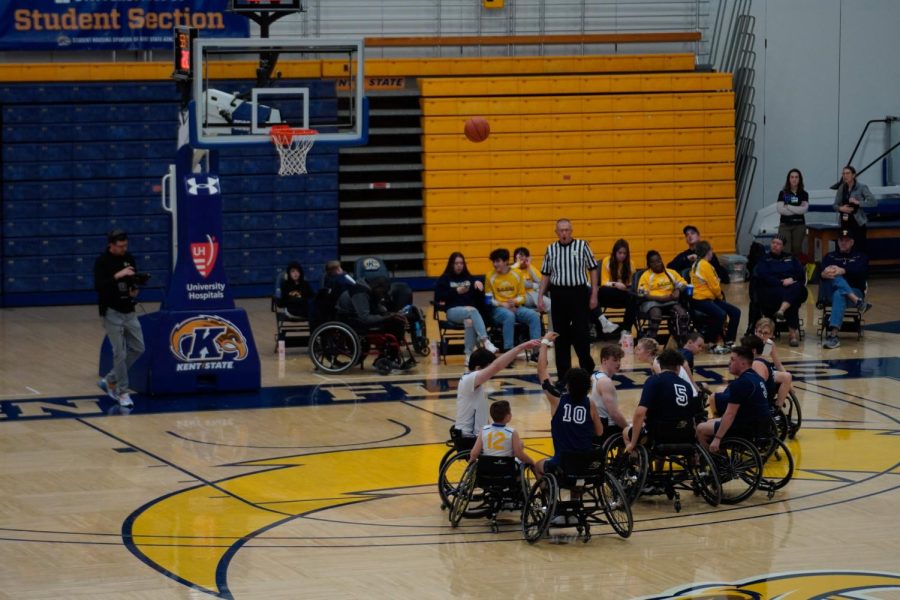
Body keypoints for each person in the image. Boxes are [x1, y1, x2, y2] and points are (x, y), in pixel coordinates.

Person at [534, 332, 603, 477]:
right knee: (578, 469)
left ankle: (546, 495)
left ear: (568, 385)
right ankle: (576, 495)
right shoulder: (590, 404)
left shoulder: (557, 400)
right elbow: (599, 432)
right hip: (585, 461)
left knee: (537, 465)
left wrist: (545, 343)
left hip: (562, 462)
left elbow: (542, 371)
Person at [537, 218, 599, 381]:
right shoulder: (550, 249)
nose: (564, 233)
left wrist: (594, 294)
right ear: (556, 232)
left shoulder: (582, 246)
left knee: (581, 334)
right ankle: (563, 376)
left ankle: (587, 370)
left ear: (571, 231)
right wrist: (540, 297)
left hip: (578, 293)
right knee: (560, 336)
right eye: (561, 230)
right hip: (558, 295)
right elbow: (545, 274)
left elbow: (593, 269)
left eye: (567, 230)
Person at [93, 229, 145, 408]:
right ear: (111, 245)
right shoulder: (102, 262)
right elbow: (99, 286)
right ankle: (122, 392)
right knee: (119, 353)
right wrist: (118, 275)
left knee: (138, 347)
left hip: (128, 309)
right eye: (120, 246)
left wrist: (135, 287)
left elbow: (132, 282)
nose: (124, 249)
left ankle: (109, 379)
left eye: (126, 245)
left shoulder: (129, 258)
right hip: (111, 311)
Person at [455, 340, 541, 440]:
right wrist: (520, 347)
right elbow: (497, 366)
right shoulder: (468, 380)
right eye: (488, 369)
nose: (491, 373)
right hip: (469, 438)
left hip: (476, 437)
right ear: (478, 368)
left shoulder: (476, 384)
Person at [624, 349, 702, 454]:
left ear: (660, 365)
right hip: (685, 435)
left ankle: (635, 464)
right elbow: (692, 415)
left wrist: (633, 443)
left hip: (659, 435)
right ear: (678, 367)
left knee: (626, 432)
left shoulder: (654, 380)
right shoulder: (686, 385)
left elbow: (640, 413)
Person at [696, 346, 771, 452]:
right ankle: (721, 458)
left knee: (700, 429)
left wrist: (717, 438)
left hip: (745, 429)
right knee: (709, 422)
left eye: (732, 359)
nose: (729, 363)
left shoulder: (741, 383)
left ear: (743, 363)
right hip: (761, 427)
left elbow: (730, 414)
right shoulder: (756, 378)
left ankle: (716, 460)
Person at [434, 252, 498, 356]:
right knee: (472, 311)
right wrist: (456, 291)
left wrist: (478, 283)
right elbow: (439, 297)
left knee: (469, 321)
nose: (459, 265)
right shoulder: (444, 279)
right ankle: (485, 340)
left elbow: (478, 297)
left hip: (468, 311)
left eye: (461, 263)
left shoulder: (469, 278)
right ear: (451, 264)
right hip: (452, 311)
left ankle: (468, 355)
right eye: (456, 263)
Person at [335, 276, 409, 366]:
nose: (382, 295)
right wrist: (386, 317)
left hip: (356, 317)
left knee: (396, 320)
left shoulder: (370, 289)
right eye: (382, 292)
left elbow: (379, 308)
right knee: (393, 325)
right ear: (377, 287)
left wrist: (392, 314)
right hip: (351, 320)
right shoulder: (360, 293)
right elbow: (365, 318)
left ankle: (388, 356)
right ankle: (387, 357)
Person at [486, 248, 542, 356]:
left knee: (534, 316)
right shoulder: (490, 276)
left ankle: (536, 352)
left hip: (515, 307)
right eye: (493, 261)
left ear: (506, 261)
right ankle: (509, 352)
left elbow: (522, 297)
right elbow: (488, 300)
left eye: (497, 261)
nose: (495, 264)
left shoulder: (517, 273)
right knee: (509, 316)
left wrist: (514, 302)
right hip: (498, 310)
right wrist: (502, 304)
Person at [820, 230, 871, 349]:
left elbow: (861, 272)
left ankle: (833, 336)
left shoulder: (861, 257)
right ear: (838, 242)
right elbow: (821, 273)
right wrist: (824, 274)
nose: (843, 243)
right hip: (830, 292)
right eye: (841, 240)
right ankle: (858, 302)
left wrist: (843, 270)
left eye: (847, 241)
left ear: (852, 242)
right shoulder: (830, 256)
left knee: (839, 294)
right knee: (834, 275)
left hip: (855, 290)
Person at [753, 235, 807, 346]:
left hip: (791, 287)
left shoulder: (791, 258)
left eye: (778, 244)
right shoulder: (764, 259)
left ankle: (781, 311)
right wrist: (781, 282)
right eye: (773, 243)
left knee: (796, 287)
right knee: (793, 301)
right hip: (772, 290)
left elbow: (801, 274)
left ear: (783, 246)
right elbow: (763, 276)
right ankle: (792, 336)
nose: (775, 245)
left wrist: (791, 279)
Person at [689, 240, 741, 353]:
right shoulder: (704, 265)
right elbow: (715, 287)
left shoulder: (698, 263)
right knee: (721, 314)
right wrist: (720, 298)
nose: (712, 252)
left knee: (735, 312)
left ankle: (729, 341)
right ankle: (712, 343)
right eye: (711, 250)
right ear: (708, 251)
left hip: (708, 298)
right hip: (700, 300)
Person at [636, 250, 690, 343]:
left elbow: (684, 284)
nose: (657, 264)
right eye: (653, 262)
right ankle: (651, 343)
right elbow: (641, 293)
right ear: (649, 264)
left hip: (670, 301)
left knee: (682, 313)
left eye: (658, 260)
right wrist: (660, 298)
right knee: (656, 314)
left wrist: (678, 290)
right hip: (653, 303)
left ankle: (682, 341)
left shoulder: (671, 273)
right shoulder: (646, 276)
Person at [468, 400, 535, 469]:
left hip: (487, 468)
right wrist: (532, 461)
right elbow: (519, 455)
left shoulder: (484, 430)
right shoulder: (512, 432)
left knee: (520, 444)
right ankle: (518, 479)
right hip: (506, 469)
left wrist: (471, 461)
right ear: (508, 416)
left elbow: (474, 453)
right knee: (521, 452)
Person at [589, 345, 628, 445]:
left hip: (594, 423)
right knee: (636, 433)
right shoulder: (605, 382)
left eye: (619, 360)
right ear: (604, 360)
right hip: (606, 426)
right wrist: (628, 427)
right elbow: (614, 414)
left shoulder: (594, 376)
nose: (618, 363)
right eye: (615, 360)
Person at [597, 238, 636, 335]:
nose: (622, 255)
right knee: (602, 290)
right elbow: (604, 282)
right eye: (620, 253)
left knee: (633, 298)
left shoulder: (630, 263)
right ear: (615, 252)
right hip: (609, 293)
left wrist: (626, 286)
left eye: (624, 253)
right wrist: (616, 284)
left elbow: (632, 283)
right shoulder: (607, 261)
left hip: (624, 294)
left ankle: (626, 329)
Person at [834, 165, 876, 252]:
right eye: (843, 174)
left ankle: (859, 264)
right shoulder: (841, 188)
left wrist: (858, 203)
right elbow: (834, 205)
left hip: (857, 222)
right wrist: (841, 208)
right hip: (844, 221)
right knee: (843, 246)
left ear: (854, 175)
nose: (845, 176)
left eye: (847, 173)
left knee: (858, 247)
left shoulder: (862, 187)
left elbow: (873, 202)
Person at [754, 318, 794, 408]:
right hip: (752, 373)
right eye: (759, 332)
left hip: (765, 372)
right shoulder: (750, 343)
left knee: (787, 377)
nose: (761, 335)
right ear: (755, 330)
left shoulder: (769, 344)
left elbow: (778, 364)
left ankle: (777, 407)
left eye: (765, 333)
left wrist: (790, 383)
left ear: (771, 334)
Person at [776, 168, 809, 256]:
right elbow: (780, 209)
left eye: (796, 177)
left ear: (800, 179)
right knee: (785, 249)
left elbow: (804, 210)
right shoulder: (783, 193)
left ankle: (796, 268)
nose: (794, 179)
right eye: (792, 177)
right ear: (789, 179)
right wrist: (797, 209)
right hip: (785, 225)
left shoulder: (804, 194)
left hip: (799, 225)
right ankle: (786, 268)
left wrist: (788, 206)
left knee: (797, 249)